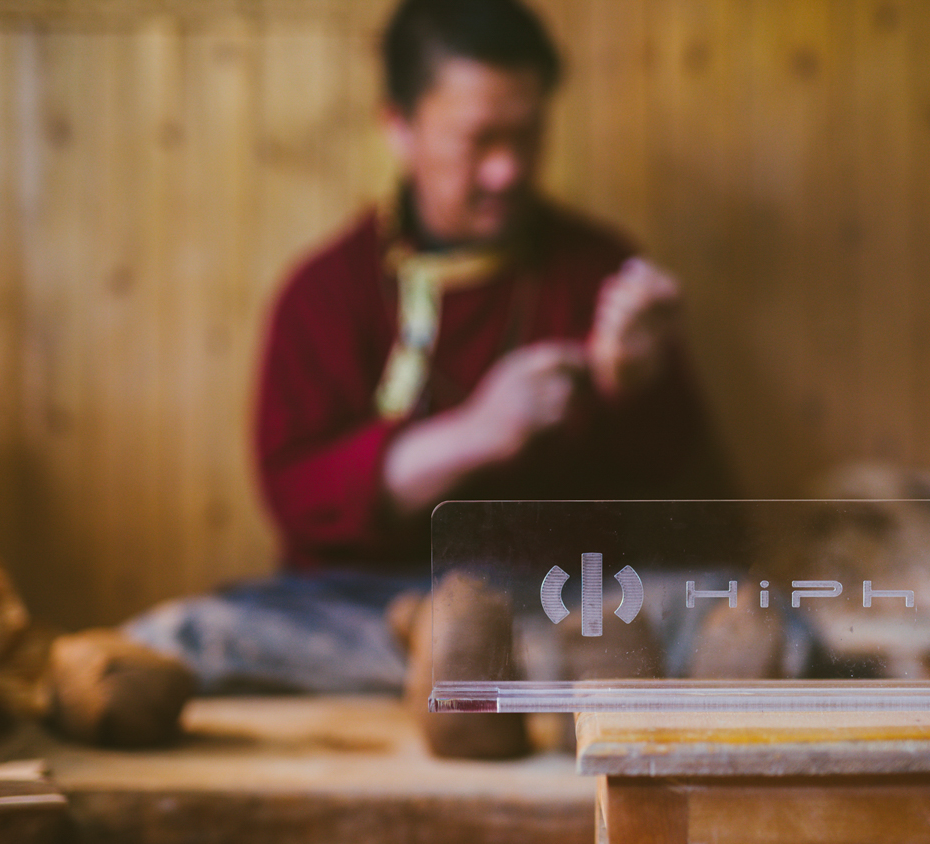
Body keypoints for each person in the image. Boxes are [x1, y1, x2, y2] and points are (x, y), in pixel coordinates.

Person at [126, 0, 723, 695]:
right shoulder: (326, 291)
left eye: (527, 137)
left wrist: (628, 386)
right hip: (371, 610)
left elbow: (672, 477)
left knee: (727, 604)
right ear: (400, 129)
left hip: (557, 604)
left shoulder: (598, 272)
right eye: (479, 140)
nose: (506, 170)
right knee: (191, 631)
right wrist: (480, 432)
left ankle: (494, 670)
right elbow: (297, 496)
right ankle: (494, 670)